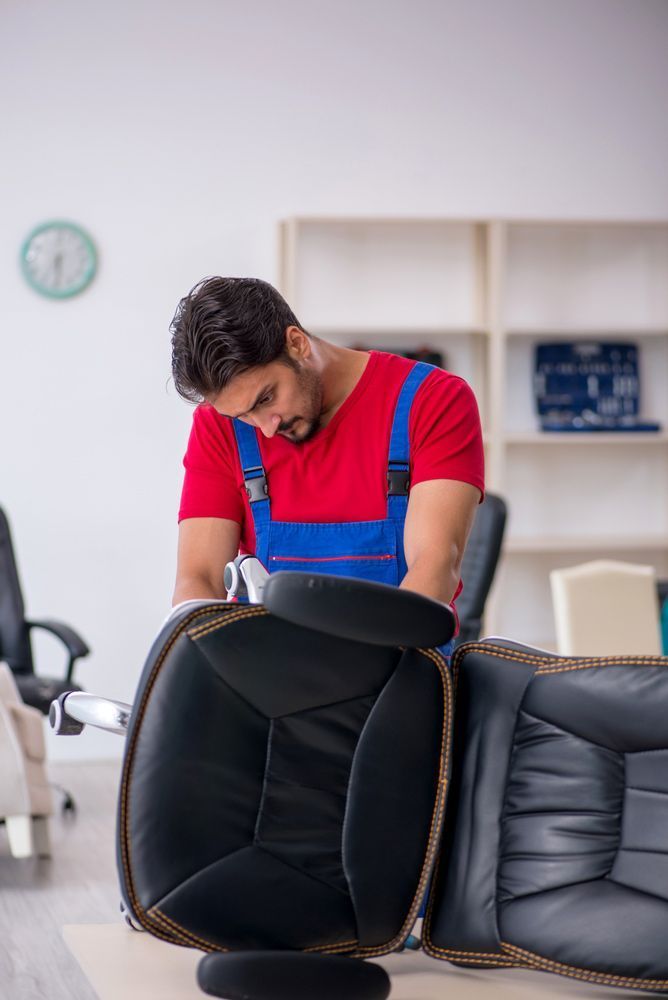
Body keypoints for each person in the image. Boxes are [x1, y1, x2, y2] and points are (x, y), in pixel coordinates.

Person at [170, 277, 484, 641]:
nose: (265, 430)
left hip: (400, 665)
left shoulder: (433, 401)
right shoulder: (217, 427)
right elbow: (200, 579)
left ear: (297, 344)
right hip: (268, 677)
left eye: (265, 400)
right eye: (241, 416)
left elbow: (436, 565)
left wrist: (355, 673)